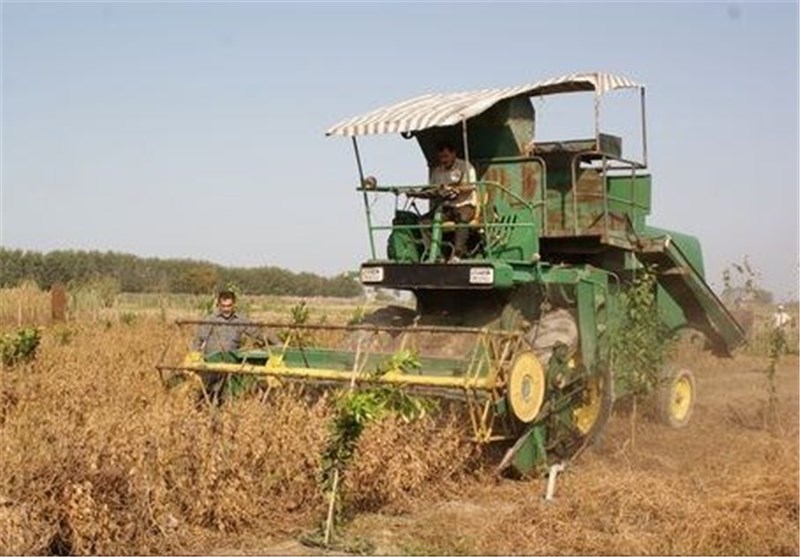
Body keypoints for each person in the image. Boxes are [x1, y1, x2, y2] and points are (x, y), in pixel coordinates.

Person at [191, 290, 276, 401]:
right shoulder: (211, 320)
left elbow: (258, 333)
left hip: (232, 362)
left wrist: (278, 344)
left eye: (229, 306)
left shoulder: (240, 320)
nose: (226, 309)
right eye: (223, 306)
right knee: (208, 392)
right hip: (213, 362)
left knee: (233, 392)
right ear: (218, 305)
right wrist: (194, 358)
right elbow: (198, 340)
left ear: (234, 304)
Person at [421, 141, 478, 262]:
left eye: (446, 156)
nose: (443, 160)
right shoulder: (437, 172)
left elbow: (471, 187)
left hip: (465, 205)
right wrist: (418, 193)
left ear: (453, 154)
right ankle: (437, 254)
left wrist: (456, 189)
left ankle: (457, 254)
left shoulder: (466, 167)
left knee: (462, 218)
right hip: (446, 208)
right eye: (441, 157)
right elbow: (432, 189)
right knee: (424, 221)